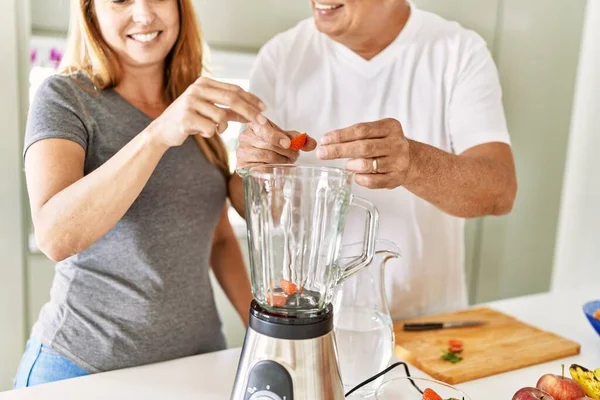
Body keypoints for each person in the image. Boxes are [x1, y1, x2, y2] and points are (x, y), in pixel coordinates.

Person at [14, 0, 265, 388]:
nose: (145, 14)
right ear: (90, 10)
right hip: (84, 370)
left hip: (198, 365)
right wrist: (158, 134)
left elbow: (217, 239)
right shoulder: (66, 98)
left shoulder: (195, 106)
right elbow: (55, 236)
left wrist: (265, 331)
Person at [232, 0, 518, 320]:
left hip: (427, 325)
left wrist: (414, 163)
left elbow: (499, 192)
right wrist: (256, 172)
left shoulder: (459, 51)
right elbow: (252, 206)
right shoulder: (280, 56)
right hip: (309, 320)